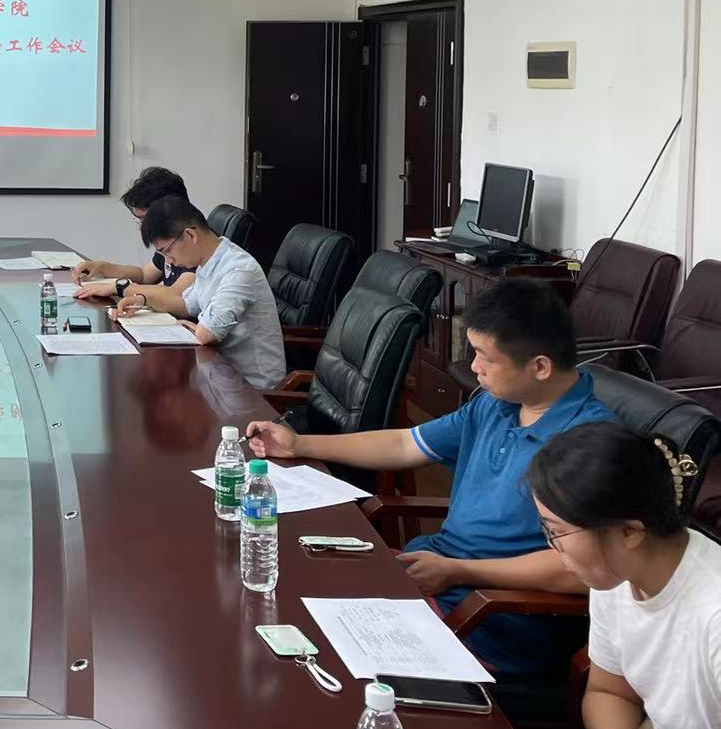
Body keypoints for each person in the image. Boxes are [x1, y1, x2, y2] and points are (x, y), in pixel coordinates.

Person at [245, 277, 616, 678]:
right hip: (436, 577)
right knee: (284, 599)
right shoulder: (499, 404)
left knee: (312, 660)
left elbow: (582, 569)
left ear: (539, 366)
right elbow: (405, 444)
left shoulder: (590, 442)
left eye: (484, 357)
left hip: (490, 619)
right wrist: (300, 444)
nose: (473, 368)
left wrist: (459, 571)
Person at [523, 423, 717, 729]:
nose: (552, 546)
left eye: (557, 532)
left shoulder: (713, 609)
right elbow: (611, 690)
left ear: (629, 532)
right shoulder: (618, 572)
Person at [126, 197, 285, 388]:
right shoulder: (209, 261)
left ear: (190, 236)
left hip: (252, 388)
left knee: (161, 391)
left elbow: (206, 334)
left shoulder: (239, 269)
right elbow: (185, 304)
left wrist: (196, 327)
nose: (168, 261)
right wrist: (142, 300)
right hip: (218, 374)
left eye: (167, 251)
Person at [72, 166, 197, 299]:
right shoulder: (169, 240)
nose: (142, 227)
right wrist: (101, 267)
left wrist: (119, 288)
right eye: (139, 220)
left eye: (145, 219)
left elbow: (177, 295)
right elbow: (144, 275)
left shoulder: (192, 245)